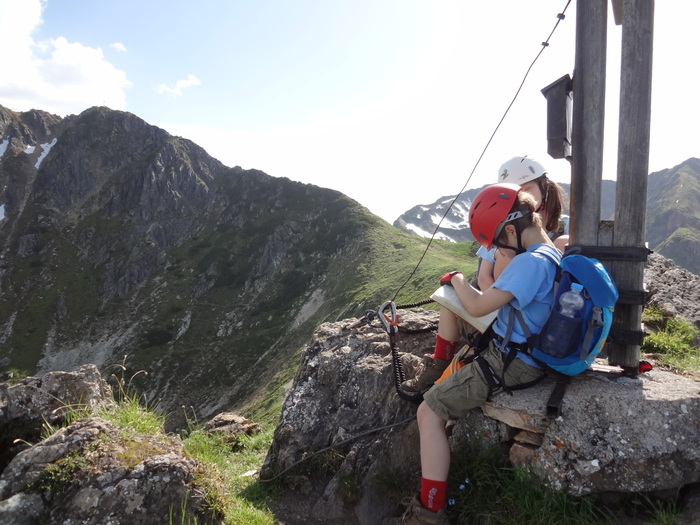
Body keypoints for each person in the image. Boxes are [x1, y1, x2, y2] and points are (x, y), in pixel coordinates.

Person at [391, 183, 561, 524]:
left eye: (499, 241)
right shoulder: (549, 252)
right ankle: (439, 366)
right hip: (518, 340)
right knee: (450, 306)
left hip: (512, 361)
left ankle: (429, 511)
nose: (499, 247)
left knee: (428, 412)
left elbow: (478, 303)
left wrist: (455, 280)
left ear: (512, 229)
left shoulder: (530, 264)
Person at [476, 156, 569, 291]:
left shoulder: (566, 227)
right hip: (500, 303)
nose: (519, 198)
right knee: (503, 256)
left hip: (546, 300)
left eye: (525, 189)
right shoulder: (501, 228)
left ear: (544, 187)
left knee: (563, 243)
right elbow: (483, 278)